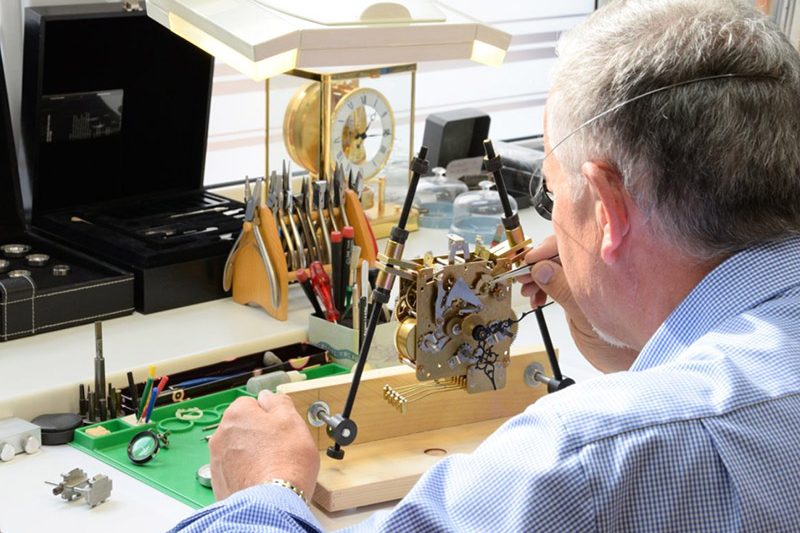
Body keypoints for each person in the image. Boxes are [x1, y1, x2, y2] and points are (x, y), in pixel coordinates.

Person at [172, 0, 800, 530]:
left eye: (551, 193)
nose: (551, 223)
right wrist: (642, 344)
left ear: (608, 210)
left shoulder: (580, 461)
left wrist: (267, 490)